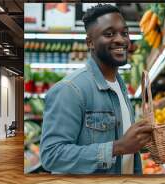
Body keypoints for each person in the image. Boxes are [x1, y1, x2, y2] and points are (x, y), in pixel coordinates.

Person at [40, 4, 153, 174]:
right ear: (90, 42)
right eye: (109, 34)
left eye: (124, 33)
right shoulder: (70, 90)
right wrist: (119, 147)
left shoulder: (119, 86)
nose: (121, 40)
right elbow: (52, 155)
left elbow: (123, 146)